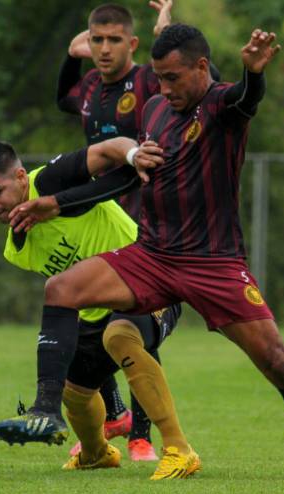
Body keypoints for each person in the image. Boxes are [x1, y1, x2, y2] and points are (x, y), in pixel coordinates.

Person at [11, 24, 284, 482]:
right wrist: (56, 203)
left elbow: (247, 99)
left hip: (214, 264)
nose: (163, 88)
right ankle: (47, 407)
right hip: (153, 255)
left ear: (202, 68)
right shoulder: (155, 111)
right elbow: (130, 178)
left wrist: (254, 74)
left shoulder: (222, 105)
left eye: (172, 78)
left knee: (277, 362)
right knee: (61, 288)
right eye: (158, 78)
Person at [0, 137, 199, 478]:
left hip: (150, 283)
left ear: (20, 177)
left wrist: (133, 154)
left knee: (120, 336)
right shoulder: (18, 243)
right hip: (94, 313)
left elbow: (111, 148)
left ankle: (180, 450)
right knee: (75, 394)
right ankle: (96, 453)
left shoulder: (52, 180)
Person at [55, 1, 175, 461]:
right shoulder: (89, 87)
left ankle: (142, 435)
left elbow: (198, 82)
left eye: (113, 40)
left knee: (134, 327)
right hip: (99, 222)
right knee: (92, 316)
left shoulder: (145, 81)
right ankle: (117, 416)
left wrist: (169, 28)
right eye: (97, 40)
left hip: (146, 223)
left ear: (133, 43)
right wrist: (70, 54)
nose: (104, 49)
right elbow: (61, 97)